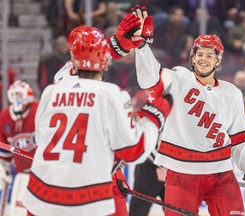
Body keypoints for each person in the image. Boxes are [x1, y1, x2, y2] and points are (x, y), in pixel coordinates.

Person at [116, 5, 245, 216]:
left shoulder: (232, 93)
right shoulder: (179, 78)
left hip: (221, 175)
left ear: (218, 60)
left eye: (209, 55)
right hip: (181, 174)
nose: (203, 59)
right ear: (192, 56)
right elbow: (149, 79)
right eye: (199, 54)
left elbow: (239, 141)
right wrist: (141, 46)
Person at [22, 20, 173, 216]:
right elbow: (134, 150)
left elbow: (42, 139)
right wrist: (155, 114)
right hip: (90, 196)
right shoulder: (112, 94)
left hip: (40, 195)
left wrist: (117, 45)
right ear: (105, 62)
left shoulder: (52, 91)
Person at [0, 80, 38, 214]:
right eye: (14, 95)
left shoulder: (38, 110)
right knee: (18, 210)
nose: (17, 99)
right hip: (21, 174)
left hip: (40, 173)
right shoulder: (5, 116)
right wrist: (5, 167)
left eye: (19, 95)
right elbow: (4, 149)